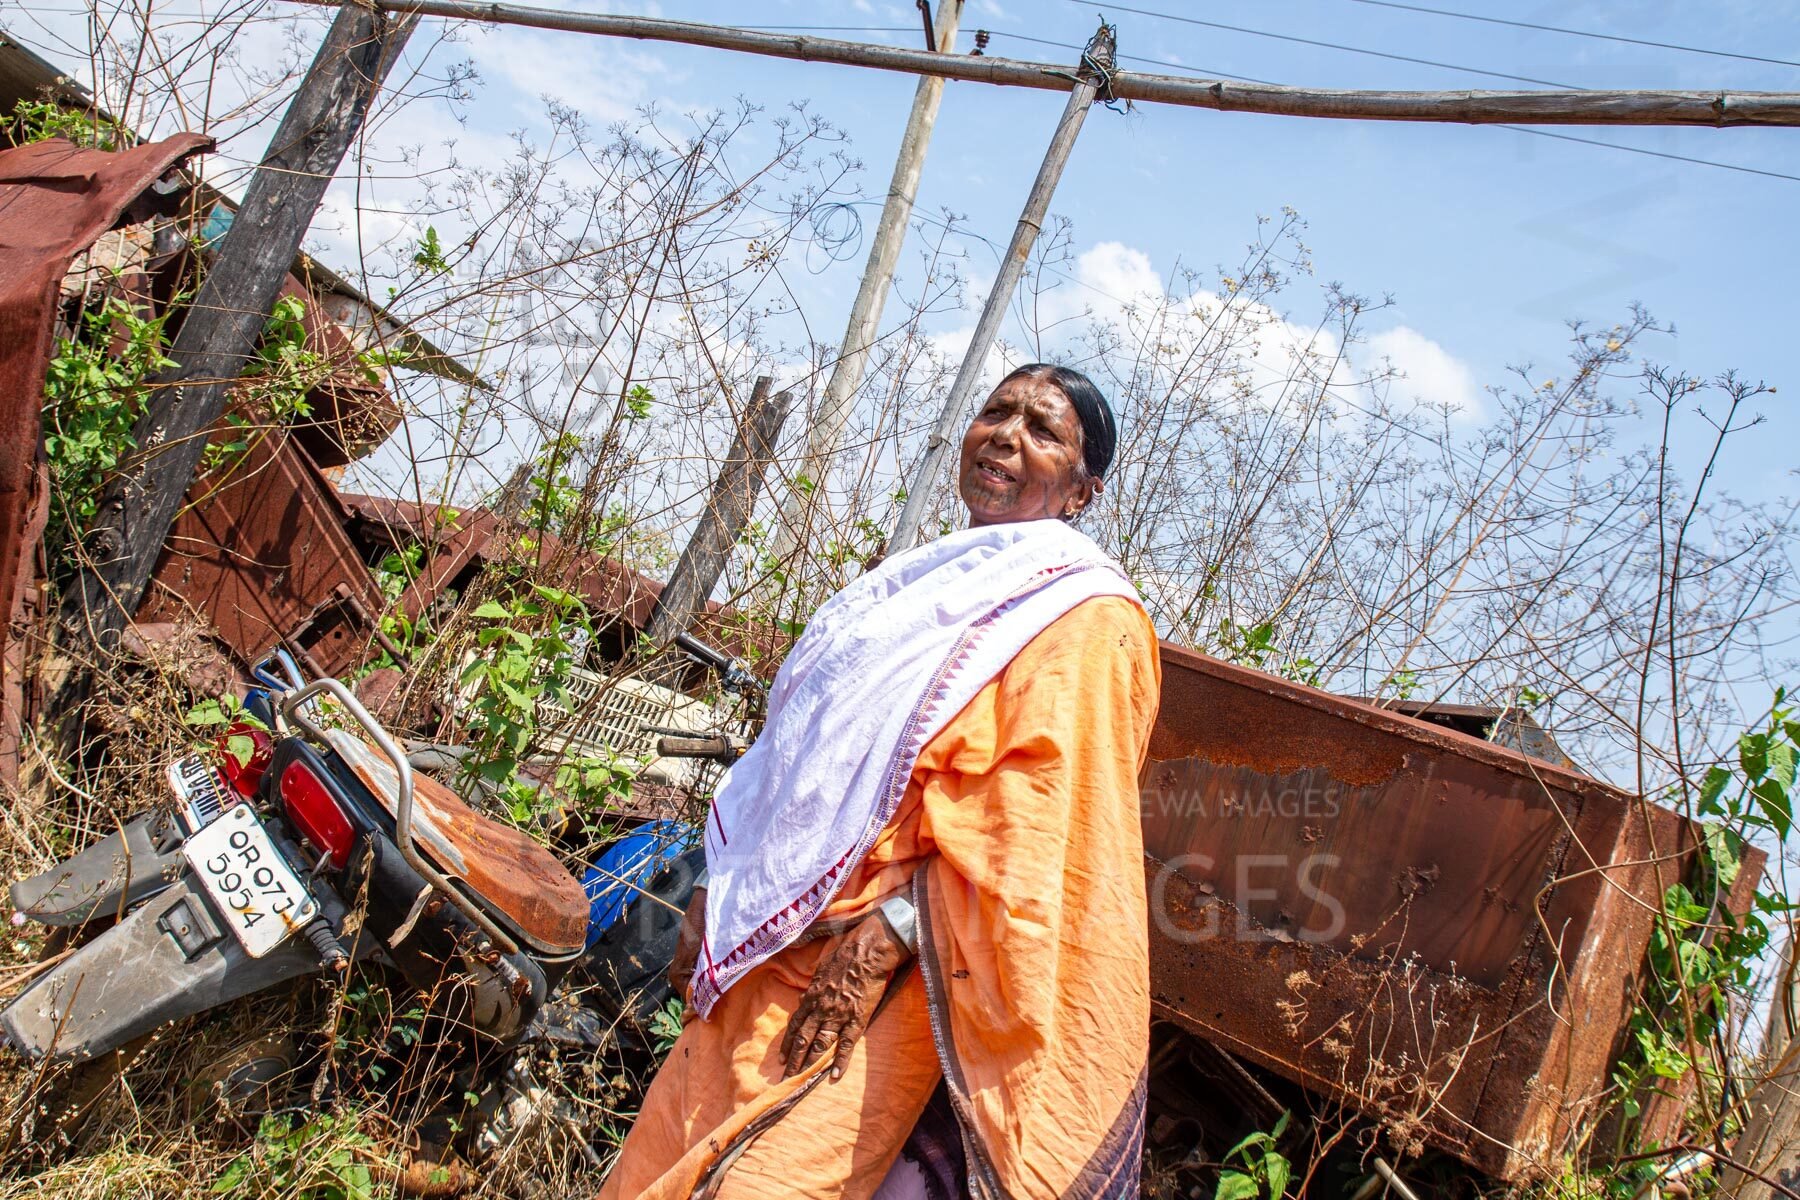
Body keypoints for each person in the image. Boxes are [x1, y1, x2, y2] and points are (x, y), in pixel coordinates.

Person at [598, 364, 1163, 1200]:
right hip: (766, 944)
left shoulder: (1087, 621)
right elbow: (793, 758)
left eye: (1042, 430)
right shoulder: (914, 586)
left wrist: (883, 940)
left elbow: (1040, 843)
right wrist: (719, 888)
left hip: (887, 976)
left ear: (1082, 491)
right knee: (658, 1166)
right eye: (996, 412)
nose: (1005, 436)